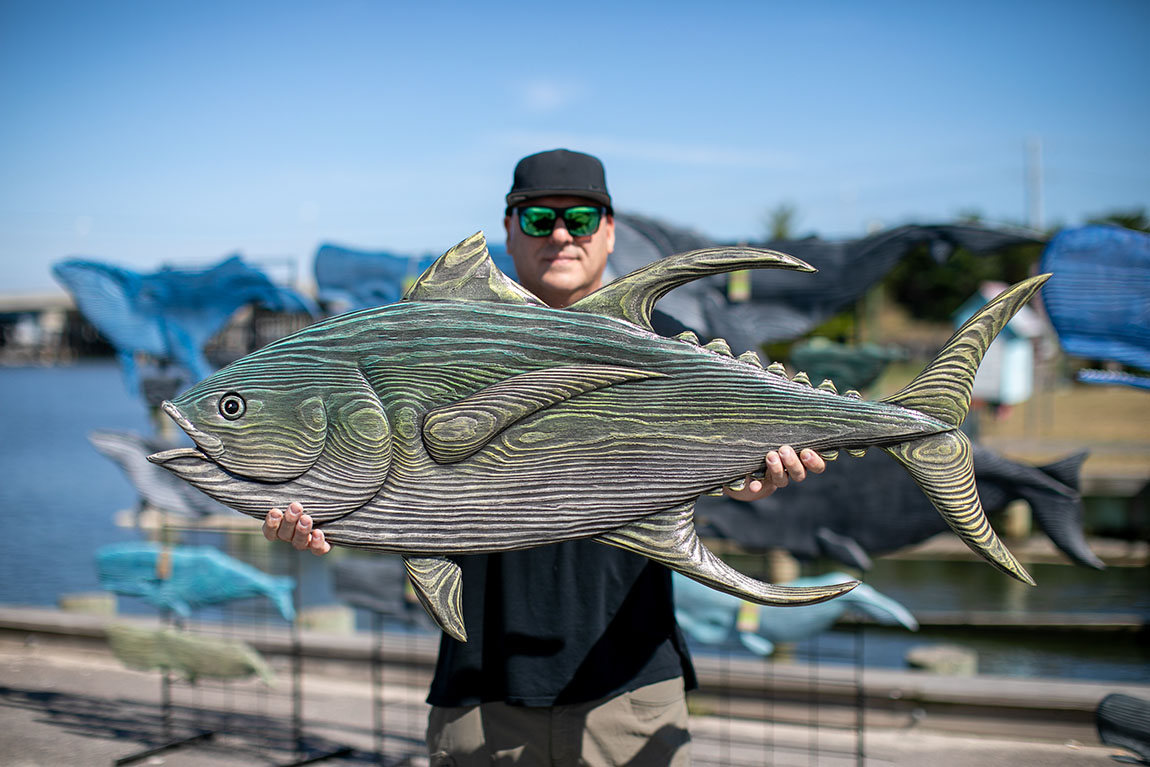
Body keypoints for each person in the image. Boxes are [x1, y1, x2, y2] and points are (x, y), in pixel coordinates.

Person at [263, 149, 825, 766]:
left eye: (580, 218)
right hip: (480, 696)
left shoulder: (669, 351)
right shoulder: (445, 347)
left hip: (628, 690)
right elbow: (392, 480)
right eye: (538, 219)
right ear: (509, 230)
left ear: (609, 232)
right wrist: (331, 514)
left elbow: (711, 469)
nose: (560, 234)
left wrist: (740, 479)